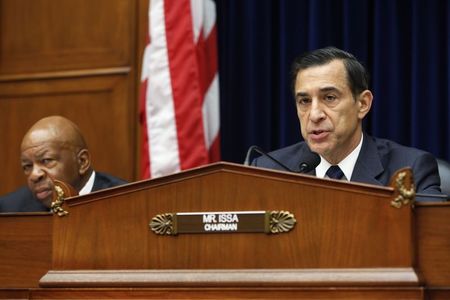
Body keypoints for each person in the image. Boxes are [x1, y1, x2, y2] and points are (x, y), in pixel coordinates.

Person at [252, 46, 442, 198]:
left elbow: (430, 242)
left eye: (329, 98)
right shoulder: (267, 172)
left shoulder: (410, 169)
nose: (315, 114)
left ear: (363, 104)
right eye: (305, 101)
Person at [0, 116, 126, 212]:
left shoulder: (126, 202)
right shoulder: (11, 209)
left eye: (46, 160)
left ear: (82, 162)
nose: (34, 175)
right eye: (27, 166)